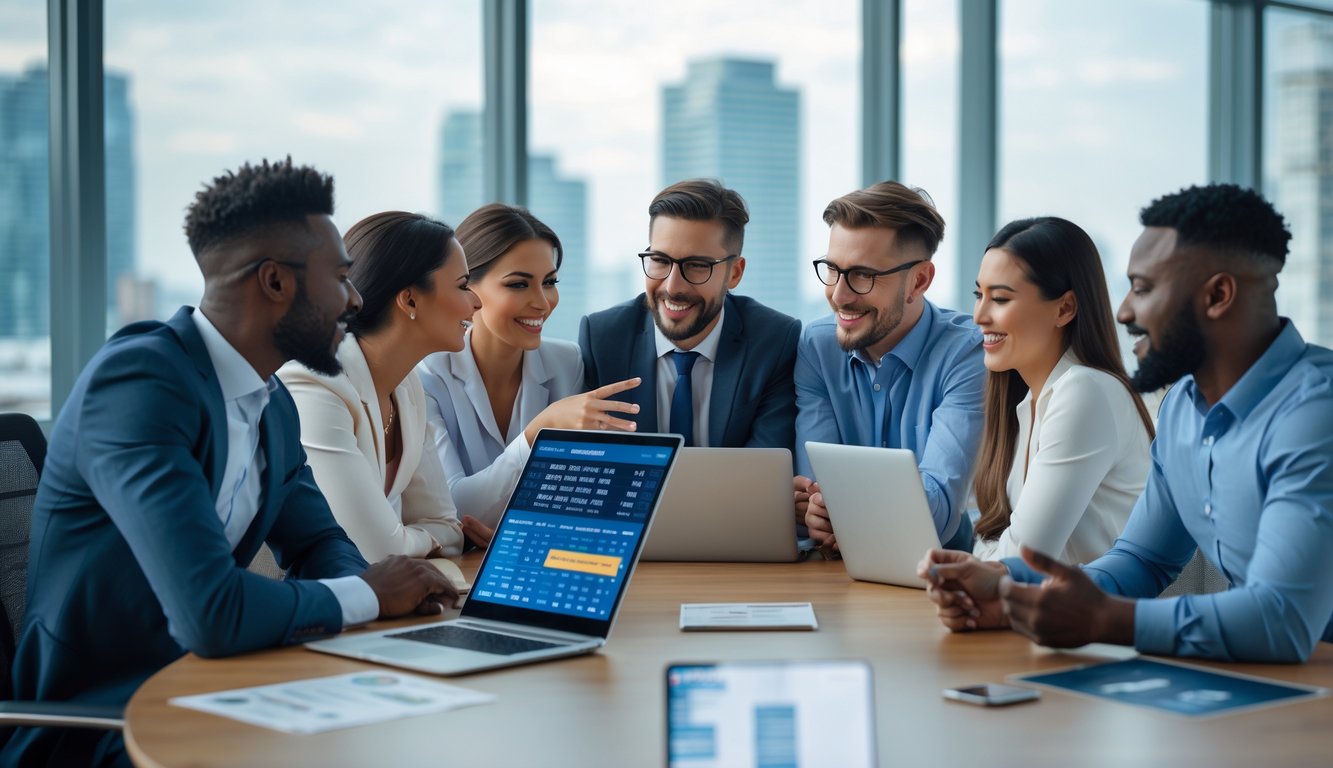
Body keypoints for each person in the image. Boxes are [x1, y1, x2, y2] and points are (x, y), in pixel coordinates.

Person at [6, 160, 456, 767]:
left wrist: (363, 592)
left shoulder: (269, 401)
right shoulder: (139, 385)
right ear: (274, 282)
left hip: (223, 687)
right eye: (340, 278)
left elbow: (321, 540)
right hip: (105, 722)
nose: (354, 300)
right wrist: (368, 595)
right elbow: (210, 612)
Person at [920, 184, 1333, 663]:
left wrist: (1105, 620)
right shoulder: (1182, 407)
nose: (1123, 311)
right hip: (1281, 679)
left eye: (1143, 288)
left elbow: (1281, 620)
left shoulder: (1313, 415)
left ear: (1218, 295)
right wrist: (1010, 586)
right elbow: (1142, 560)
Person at [419, 203, 640, 538]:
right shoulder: (427, 376)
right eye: (519, 285)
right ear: (468, 288)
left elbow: (569, 502)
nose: (542, 301)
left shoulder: (567, 363)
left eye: (549, 282)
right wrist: (539, 430)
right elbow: (451, 508)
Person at [794, 181, 985, 554]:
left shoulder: (966, 354)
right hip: (836, 575)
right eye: (832, 270)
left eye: (863, 275)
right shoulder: (817, 345)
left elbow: (938, 514)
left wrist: (841, 510)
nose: (839, 295)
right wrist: (820, 510)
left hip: (937, 577)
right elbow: (816, 489)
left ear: (919, 280)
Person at [279, 211, 480, 561]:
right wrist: (413, 538)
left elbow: (449, 530)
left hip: (378, 604)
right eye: (463, 286)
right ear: (410, 300)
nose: (476, 302)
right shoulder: (314, 385)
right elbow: (374, 551)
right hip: (302, 607)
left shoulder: (407, 388)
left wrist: (406, 537)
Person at [970, 217, 1154, 564]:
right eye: (979, 295)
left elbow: (1022, 561)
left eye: (1000, 299)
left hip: (1090, 615)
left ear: (1064, 308)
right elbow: (992, 535)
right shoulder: (1030, 401)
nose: (979, 315)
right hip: (1038, 612)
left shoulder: (1086, 392)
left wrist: (980, 558)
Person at [579, 179, 800, 449]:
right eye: (660, 261)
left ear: (735, 273)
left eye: (696, 266)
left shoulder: (774, 341)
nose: (672, 287)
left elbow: (764, 470)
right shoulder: (603, 338)